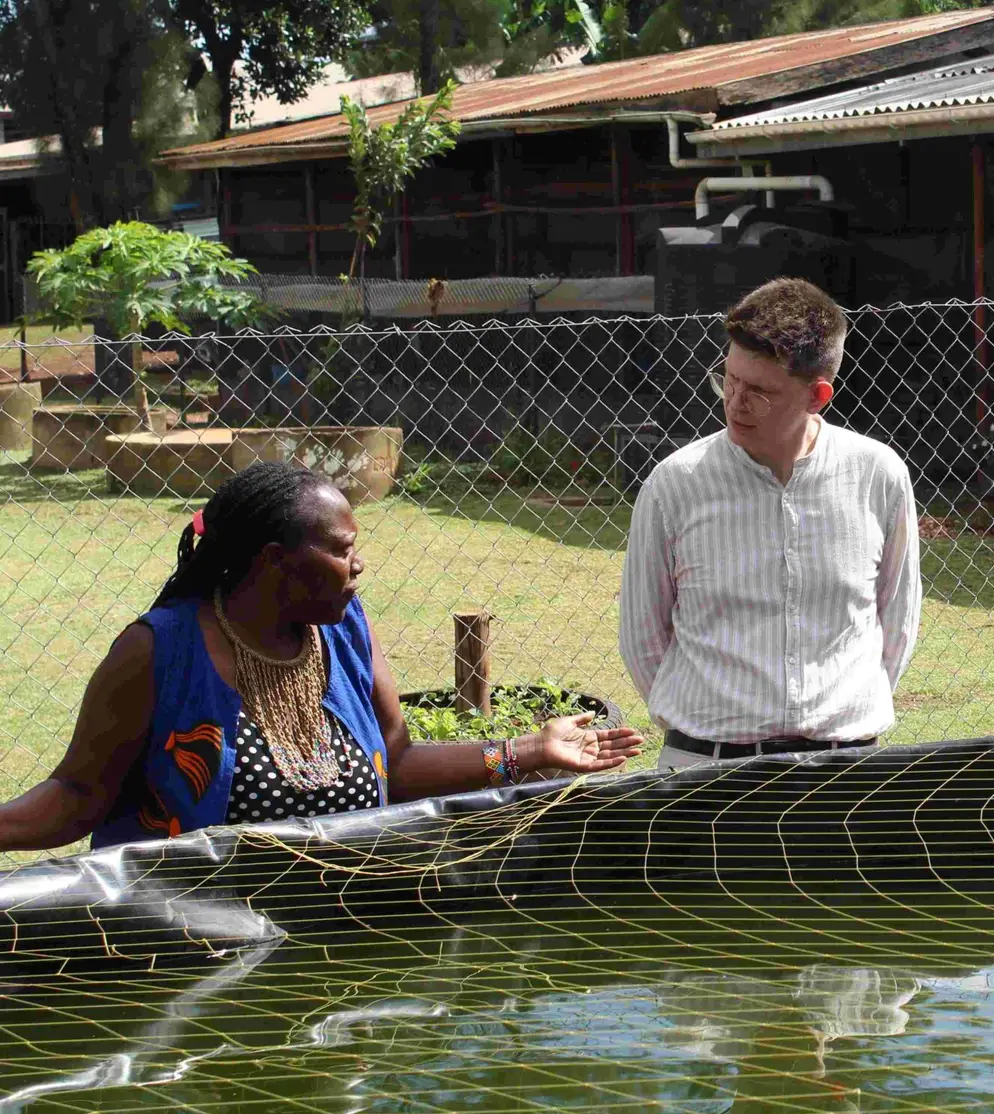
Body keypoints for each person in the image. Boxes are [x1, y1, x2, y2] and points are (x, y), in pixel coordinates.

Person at [0, 462, 641, 852]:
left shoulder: (344, 630)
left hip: (338, 930)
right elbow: (77, 796)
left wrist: (530, 751)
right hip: (199, 950)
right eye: (340, 550)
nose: (357, 565)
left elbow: (397, 764)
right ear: (276, 561)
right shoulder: (157, 653)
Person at [621, 277, 920, 769]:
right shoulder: (674, 484)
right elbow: (642, 638)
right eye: (728, 379)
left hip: (846, 775)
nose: (734, 404)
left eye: (759, 392)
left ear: (817, 395)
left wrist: (836, 724)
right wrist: (715, 727)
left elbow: (898, 621)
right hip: (706, 773)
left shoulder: (878, 475)